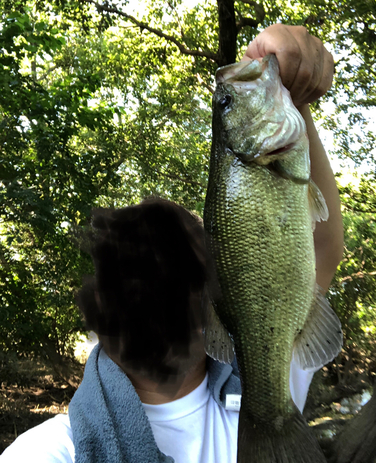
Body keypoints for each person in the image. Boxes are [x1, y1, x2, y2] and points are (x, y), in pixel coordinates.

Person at [0, 25, 343, 463]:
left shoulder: (264, 371)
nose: (150, 292)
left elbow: (321, 252)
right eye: (130, 281)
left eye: (170, 274)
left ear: (210, 298)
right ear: (100, 311)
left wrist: (295, 92)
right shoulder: (48, 452)